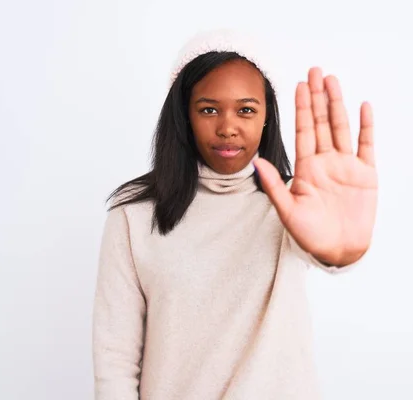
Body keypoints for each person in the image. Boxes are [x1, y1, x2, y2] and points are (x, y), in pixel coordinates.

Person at [92, 28, 378, 400]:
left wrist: (342, 251)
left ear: (265, 117)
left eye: (246, 109)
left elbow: (327, 249)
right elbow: (115, 359)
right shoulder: (133, 213)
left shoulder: (294, 202)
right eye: (209, 109)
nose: (228, 127)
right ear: (184, 115)